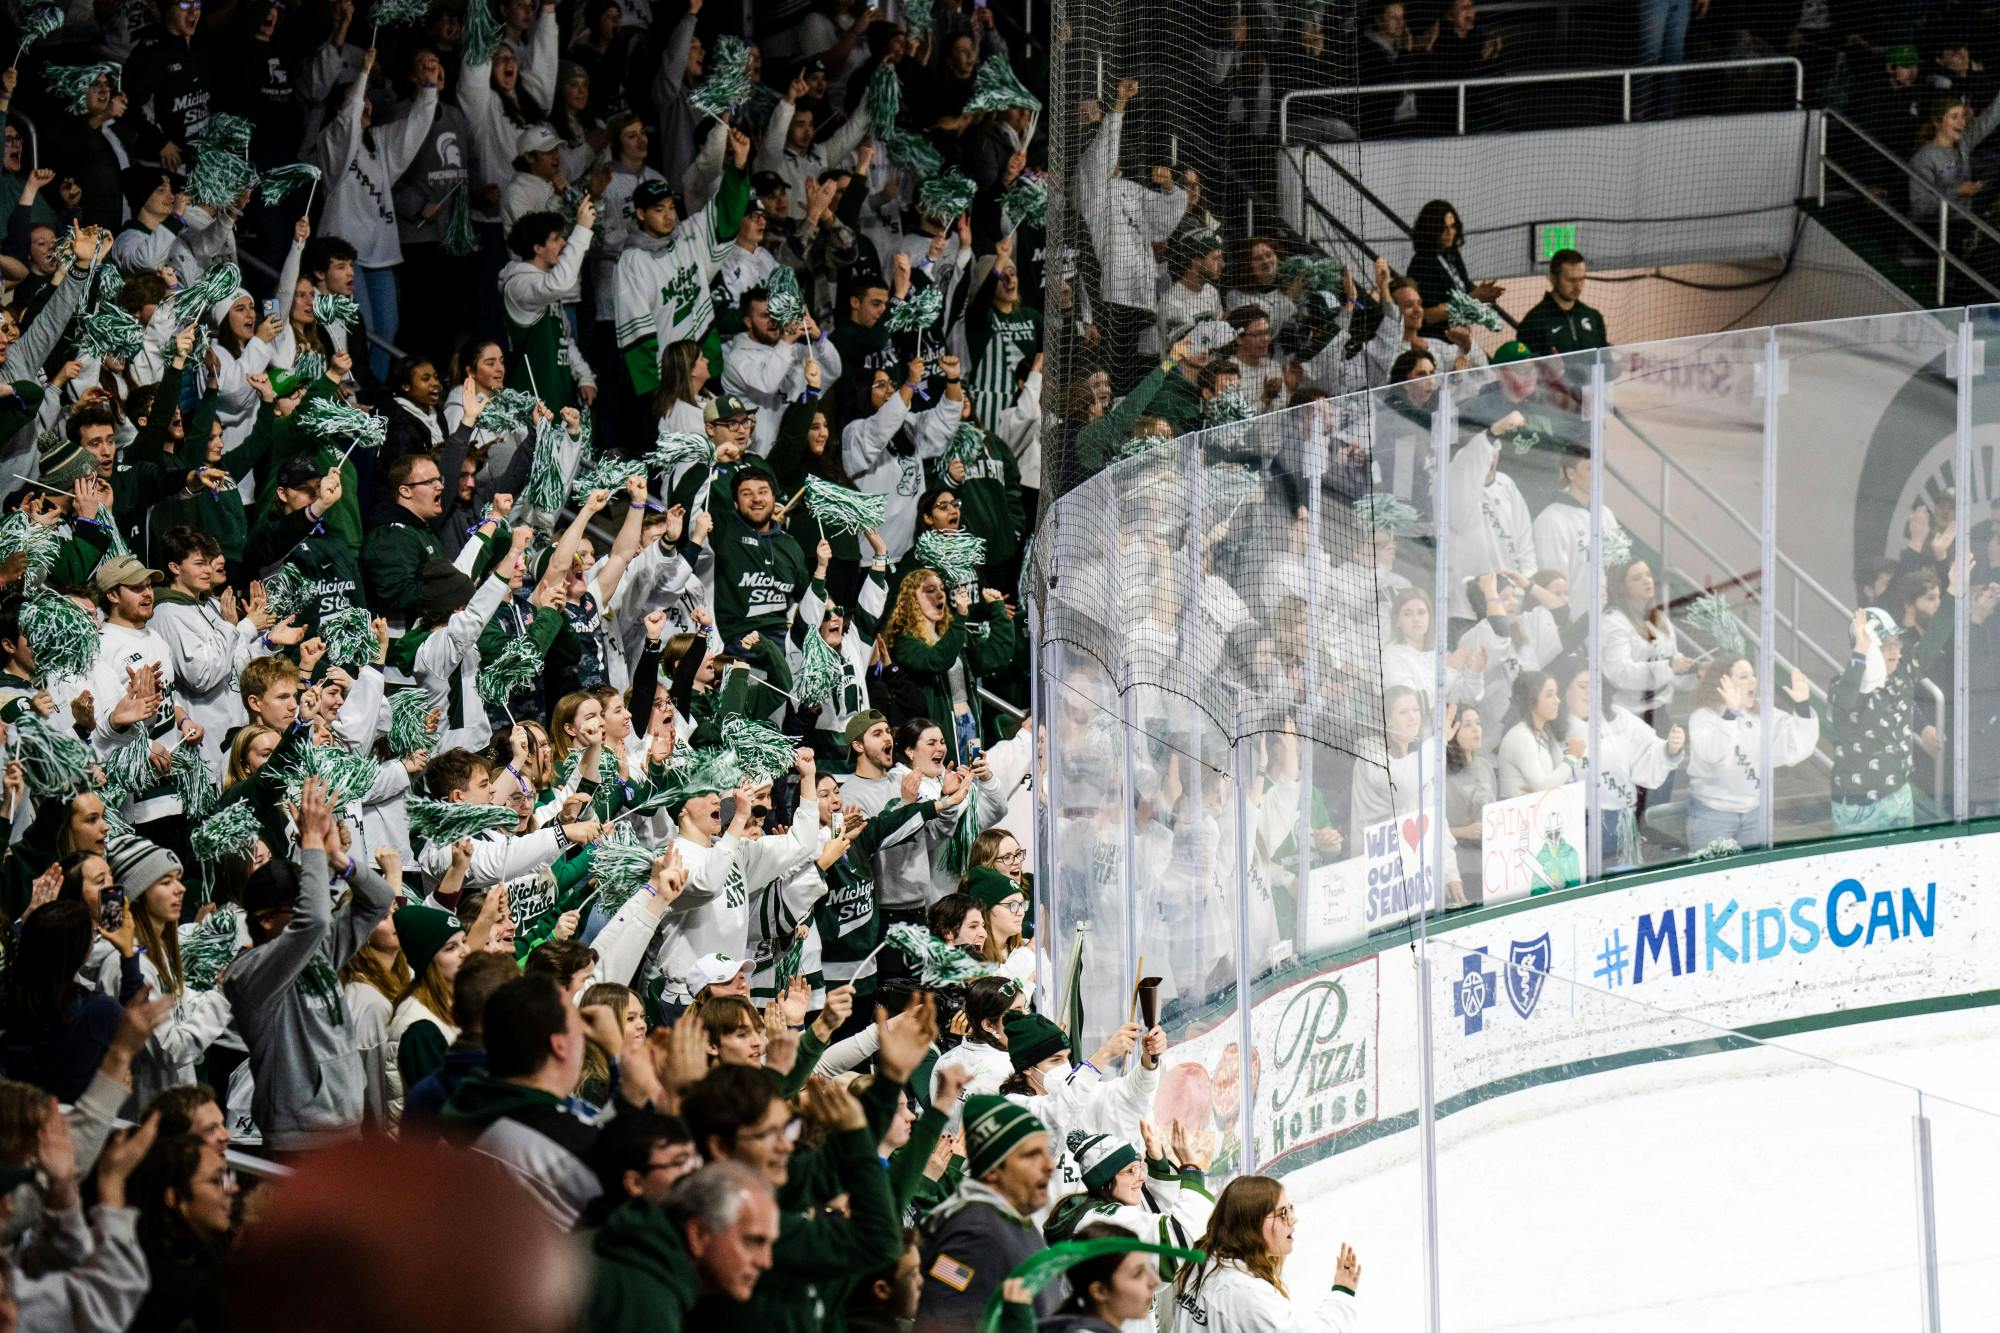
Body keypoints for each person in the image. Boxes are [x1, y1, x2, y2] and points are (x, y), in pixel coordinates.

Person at [913, 1095, 1058, 1331]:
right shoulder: (972, 1234)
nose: (1048, 1165)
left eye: (1045, 1152)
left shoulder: (1011, 1219)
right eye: (1031, 1155)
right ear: (992, 1171)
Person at [586, 1159, 779, 1333]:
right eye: (753, 1241)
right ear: (699, 1235)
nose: (766, 1262)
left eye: (770, 1244)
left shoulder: (630, 1252)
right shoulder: (647, 1306)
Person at [1167, 1175, 1361, 1332]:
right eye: (1283, 1212)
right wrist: (1343, 1292)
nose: (1293, 1219)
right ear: (1252, 1224)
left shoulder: (1206, 1255)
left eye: (1291, 1208)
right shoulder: (1246, 1292)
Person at [1685, 657, 1821, 851]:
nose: (1753, 681)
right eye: (1743, 676)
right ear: (1723, 683)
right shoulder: (1703, 716)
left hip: (1755, 813)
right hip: (1712, 815)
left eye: (1753, 676)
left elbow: (1794, 747)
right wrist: (1731, 714)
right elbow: (1714, 755)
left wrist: (1802, 705)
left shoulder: (1763, 713)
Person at [1513, 250, 1607, 357]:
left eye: (1581, 279)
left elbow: (1606, 365)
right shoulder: (1534, 322)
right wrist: (1550, 369)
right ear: (1553, 279)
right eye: (1571, 280)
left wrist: (1619, 365)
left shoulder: (1593, 317)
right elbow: (1525, 369)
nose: (1578, 287)